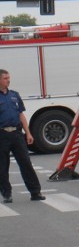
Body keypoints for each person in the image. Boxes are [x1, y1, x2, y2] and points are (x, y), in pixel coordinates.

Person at [0, 69, 46, 202]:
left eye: (9, 78)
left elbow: (20, 114)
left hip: (16, 133)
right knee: (2, 166)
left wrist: (28, 132)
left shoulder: (14, 95)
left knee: (26, 163)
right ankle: (6, 194)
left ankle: (35, 192)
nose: (8, 80)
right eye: (5, 78)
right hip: (2, 135)